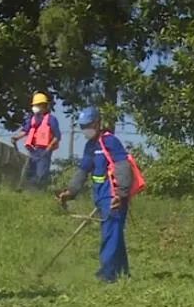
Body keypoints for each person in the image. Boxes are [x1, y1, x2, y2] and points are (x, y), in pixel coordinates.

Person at [57, 107, 140, 283]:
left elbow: (123, 166)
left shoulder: (111, 141)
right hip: (100, 196)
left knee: (110, 234)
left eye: (88, 125)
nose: (85, 129)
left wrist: (121, 194)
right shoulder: (90, 146)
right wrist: (70, 192)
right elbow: (83, 170)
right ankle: (122, 273)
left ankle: (106, 275)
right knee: (114, 234)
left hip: (113, 196)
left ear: (97, 123)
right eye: (82, 126)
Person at [11, 92, 61, 190]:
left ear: (44, 106)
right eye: (34, 105)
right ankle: (28, 191)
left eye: (38, 105)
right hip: (33, 150)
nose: (35, 107)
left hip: (44, 150)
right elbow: (25, 131)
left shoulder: (51, 119)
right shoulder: (32, 119)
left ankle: (39, 192)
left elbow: (57, 136)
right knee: (30, 172)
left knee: (41, 173)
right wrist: (16, 138)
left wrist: (49, 147)